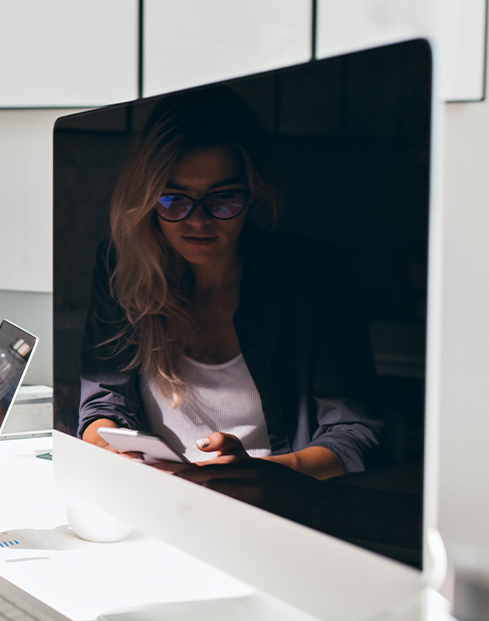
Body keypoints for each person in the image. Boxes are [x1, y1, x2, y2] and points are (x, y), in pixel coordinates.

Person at [78, 88, 381, 480]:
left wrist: (257, 473)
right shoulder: (122, 267)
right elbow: (102, 405)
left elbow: (355, 435)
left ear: (253, 192)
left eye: (222, 199)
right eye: (174, 200)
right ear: (148, 199)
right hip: (157, 501)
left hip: (274, 509)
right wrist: (117, 451)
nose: (199, 221)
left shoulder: (312, 275)